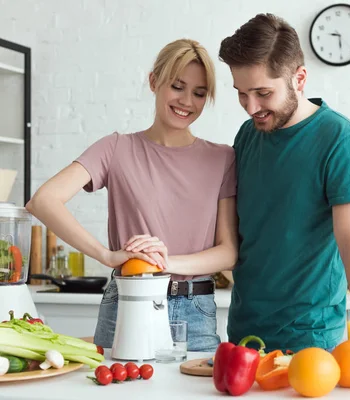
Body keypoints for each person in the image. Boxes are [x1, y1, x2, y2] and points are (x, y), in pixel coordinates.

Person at [218, 14, 350, 373]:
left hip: (312, 344)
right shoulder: (248, 136)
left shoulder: (341, 141)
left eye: (263, 93)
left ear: (299, 78)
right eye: (241, 94)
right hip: (243, 341)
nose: (251, 108)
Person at [25, 39, 238, 352]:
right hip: (126, 301)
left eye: (200, 93)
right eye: (177, 86)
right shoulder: (115, 148)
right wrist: (106, 256)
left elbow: (228, 252)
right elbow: (43, 200)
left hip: (195, 310)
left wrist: (162, 261)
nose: (187, 101)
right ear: (154, 82)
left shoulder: (222, 159)